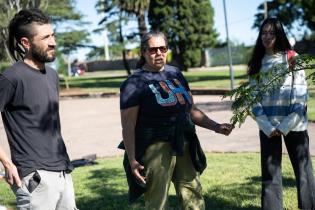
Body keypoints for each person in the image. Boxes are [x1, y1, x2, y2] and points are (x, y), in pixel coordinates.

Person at [119, 31, 234, 210]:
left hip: (184, 141)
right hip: (155, 147)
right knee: (157, 199)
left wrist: (216, 127)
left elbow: (191, 110)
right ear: (143, 52)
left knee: (192, 191)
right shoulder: (133, 83)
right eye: (153, 49)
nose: (158, 53)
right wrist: (133, 159)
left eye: (162, 48)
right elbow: (128, 125)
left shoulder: (175, 73)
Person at [0, 8, 78, 210]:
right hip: (35, 177)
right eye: (45, 37)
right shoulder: (12, 77)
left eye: (53, 35)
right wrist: (7, 163)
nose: (53, 42)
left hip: (63, 172)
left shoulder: (52, 75)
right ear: (26, 43)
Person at [248, 17, 315, 210]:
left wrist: (285, 125)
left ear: (279, 35)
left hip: (294, 124)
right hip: (268, 127)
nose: (267, 37)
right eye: (264, 33)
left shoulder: (292, 58)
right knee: (270, 174)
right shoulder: (257, 64)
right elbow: (253, 99)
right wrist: (269, 127)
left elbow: (300, 96)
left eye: (272, 33)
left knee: (304, 172)